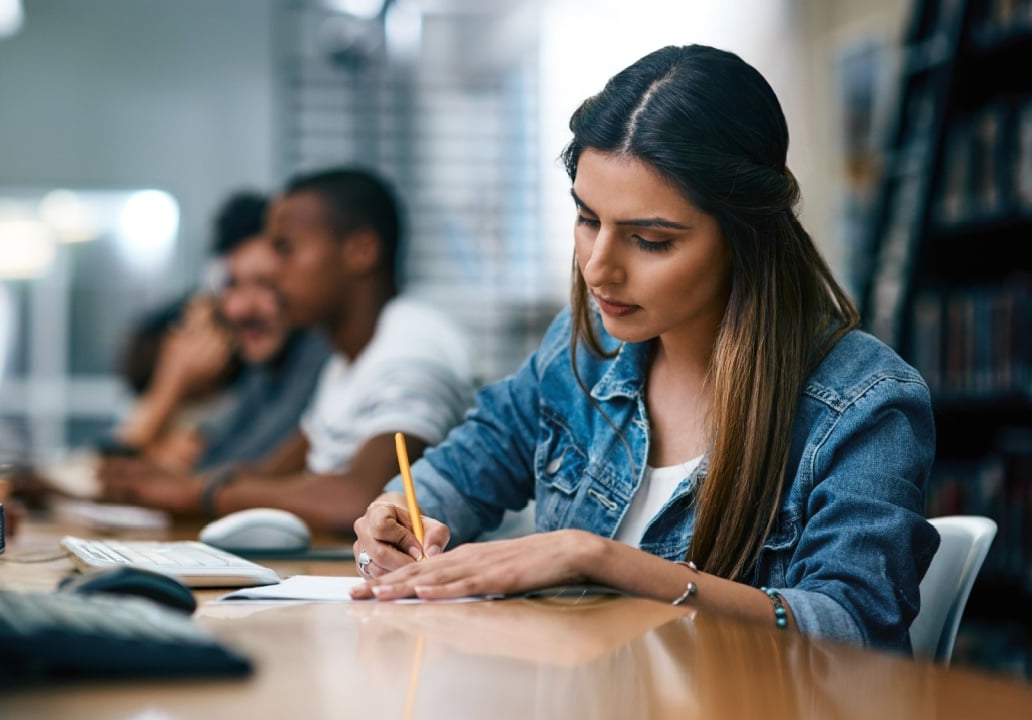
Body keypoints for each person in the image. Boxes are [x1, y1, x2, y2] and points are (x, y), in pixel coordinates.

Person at [348, 44, 940, 654]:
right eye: (587, 218)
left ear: (746, 238)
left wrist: (598, 559)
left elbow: (853, 631)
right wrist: (392, 516)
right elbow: (455, 475)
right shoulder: (580, 351)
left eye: (650, 240)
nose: (599, 268)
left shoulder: (865, 403)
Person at [100, 167, 477, 534]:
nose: (274, 274)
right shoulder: (346, 363)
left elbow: (364, 500)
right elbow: (273, 472)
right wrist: (151, 482)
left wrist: (200, 492)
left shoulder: (412, 343)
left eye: (286, 249)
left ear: (361, 250)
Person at [103, 191, 330, 474]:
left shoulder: (318, 353)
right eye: (231, 285)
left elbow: (237, 474)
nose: (239, 309)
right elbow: (215, 463)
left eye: (264, 283)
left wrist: (171, 384)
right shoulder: (260, 371)